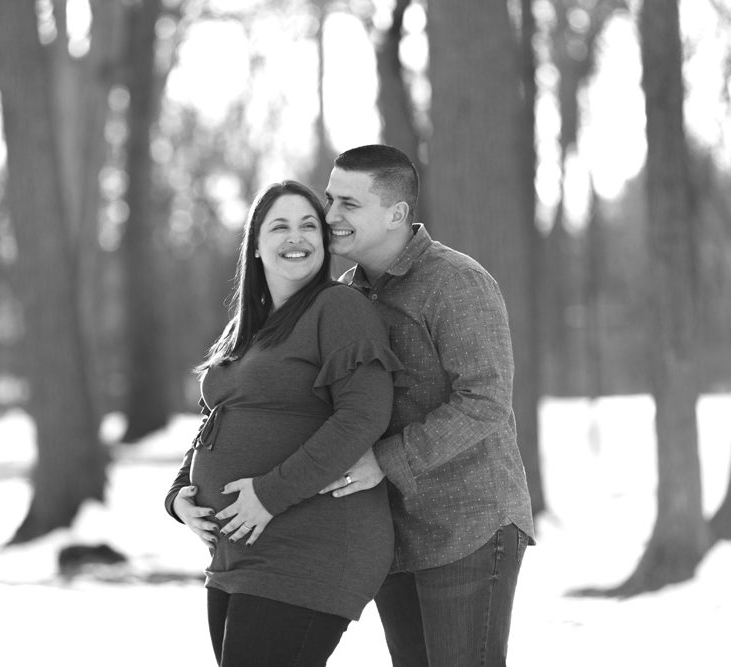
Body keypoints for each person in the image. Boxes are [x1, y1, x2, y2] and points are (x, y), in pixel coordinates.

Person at [164, 180, 404, 667]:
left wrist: (269, 494)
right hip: (238, 553)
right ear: (255, 244)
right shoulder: (247, 328)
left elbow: (364, 415)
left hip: (311, 544)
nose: (296, 238)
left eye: (308, 225)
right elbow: (216, 419)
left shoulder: (337, 308)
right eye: (280, 226)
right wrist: (178, 496)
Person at [319, 144, 535, 667]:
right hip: (394, 533)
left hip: (470, 527)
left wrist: (384, 462)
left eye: (349, 204)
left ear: (396, 213)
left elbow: (484, 400)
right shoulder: (348, 296)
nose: (330, 217)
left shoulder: (455, 282)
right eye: (329, 200)